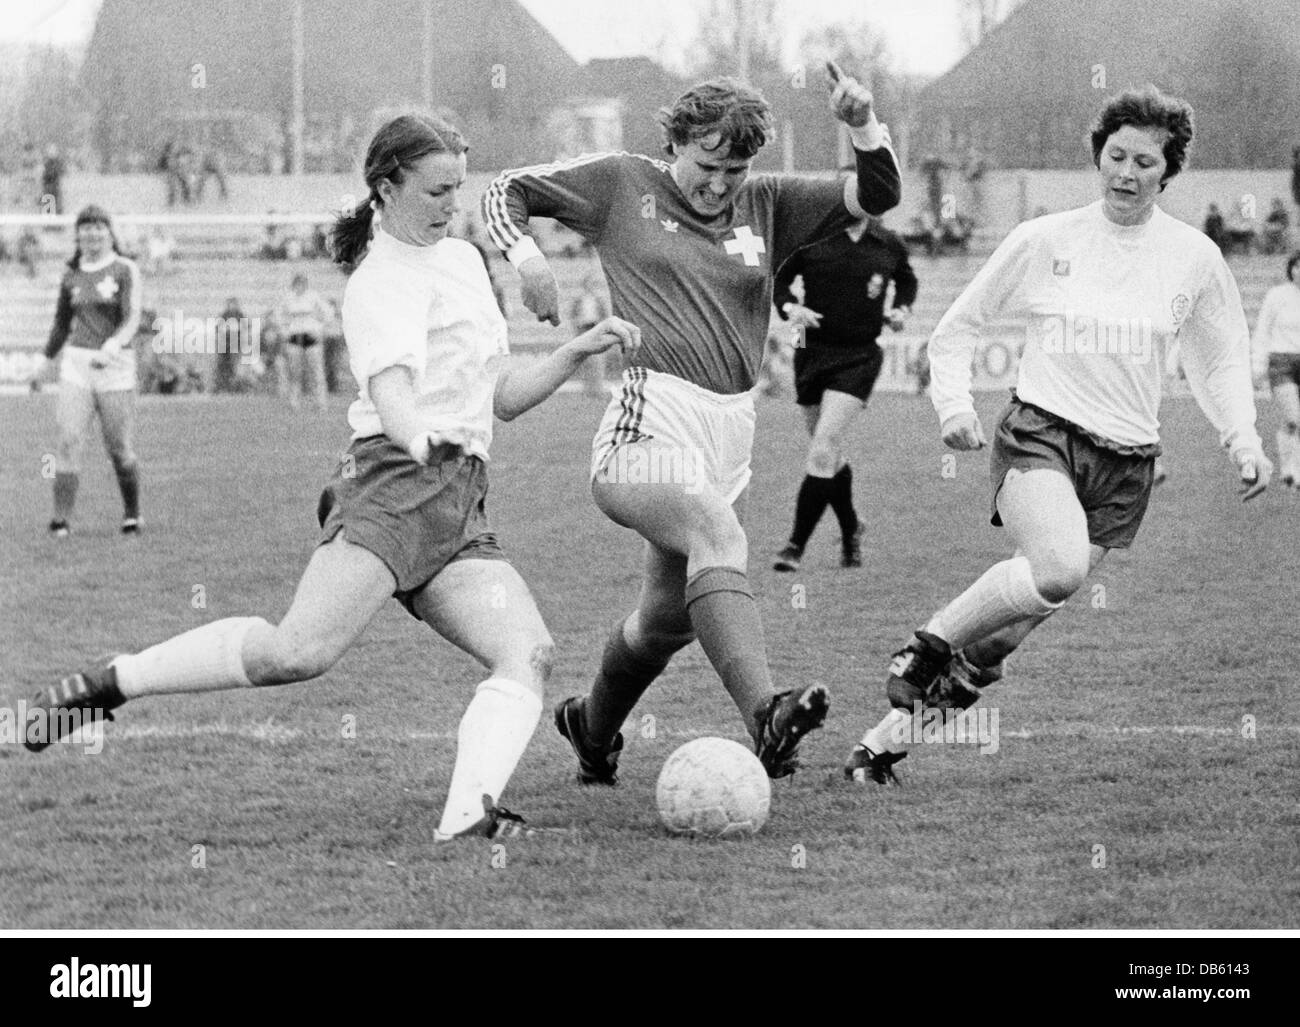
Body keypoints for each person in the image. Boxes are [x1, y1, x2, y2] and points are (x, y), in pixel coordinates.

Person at [24, 113, 640, 842]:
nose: (453, 204)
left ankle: (468, 820)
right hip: (393, 483)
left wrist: (577, 349)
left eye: (459, 188)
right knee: (297, 653)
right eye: (438, 189)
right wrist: (422, 437)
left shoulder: (466, 262)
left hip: (458, 500)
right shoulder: (379, 282)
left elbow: (501, 393)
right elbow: (394, 400)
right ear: (388, 187)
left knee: (527, 650)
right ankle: (111, 681)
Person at [483, 65, 901, 784]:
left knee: (664, 622)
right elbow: (502, 191)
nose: (720, 183)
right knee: (720, 536)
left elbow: (879, 195)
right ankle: (766, 713)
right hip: (647, 424)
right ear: (674, 141)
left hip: (728, 436)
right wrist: (529, 260)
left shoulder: (767, 203)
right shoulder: (621, 183)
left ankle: (591, 728)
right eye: (708, 165)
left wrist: (862, 124)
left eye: (735, 168)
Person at [844, 86, 1273, 786]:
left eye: (1144, 161)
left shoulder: (1193, 258)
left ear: (1170, 172)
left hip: (1127, 466)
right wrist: (952, 405)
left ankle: (878, 750)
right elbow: (957, 329)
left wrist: (1243, 440)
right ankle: (927, 643)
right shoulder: (1046, 239)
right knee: (1059, 568)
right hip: (1041, 434)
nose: (1127, 173)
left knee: (1002, 641)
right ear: (1097, 156)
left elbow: (1219, 360)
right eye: (1115, 156)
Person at [771, 211, 917, 572]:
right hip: (809, 350)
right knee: (826, 452)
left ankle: (794, 547)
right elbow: (780, 279)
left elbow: (907, 281)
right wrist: (791, 307)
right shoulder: (812, 235)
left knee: (822, 447)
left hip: (860, 355)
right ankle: (851, 527)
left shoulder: (888, 242)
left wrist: (900, 309)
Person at [34, 205, 143, 538]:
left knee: (119, 449)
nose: (92, 233)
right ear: (77, 234)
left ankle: (132, 514)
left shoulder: (125, 269)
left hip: (115, 365)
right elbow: (61, 324)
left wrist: (112, 346)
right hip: (77, 365)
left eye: (99, 227)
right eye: (86, 228)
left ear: (110, 233)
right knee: (67, 440)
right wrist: (44, 360)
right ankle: (60, 520)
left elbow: (132, 317)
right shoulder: (71, 275)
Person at [1253, 251, 1300, 487]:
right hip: (1282, 362)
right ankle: (1292, 470)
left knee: (1294, 423)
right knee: (1294, 418)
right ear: (1291, 269)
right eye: (1297, 266)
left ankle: (1291, 470)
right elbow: (1262, 330)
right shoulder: (1277, 295)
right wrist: (1258, 366)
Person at [274, 273, 332, 410]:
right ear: (294, 285)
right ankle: (295, 402)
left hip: (311, 337)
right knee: (295, 372)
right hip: (294, 337)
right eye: (297, 284)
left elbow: (328, 312)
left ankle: (320, 403)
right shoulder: (287, 298)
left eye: (302, 284)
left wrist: (320, 329)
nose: (300, 287)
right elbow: (278, 316)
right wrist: (284, 331)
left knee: (316, 372)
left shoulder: (313, 296)